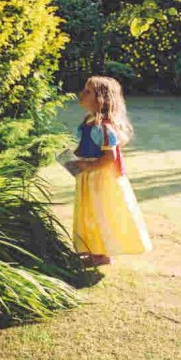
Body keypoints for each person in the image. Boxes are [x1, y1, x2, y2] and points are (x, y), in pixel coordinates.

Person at [72, 75, 152, 267]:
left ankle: (101, 253)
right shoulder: (88, 122)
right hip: (88, 176)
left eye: (88, 92)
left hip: (100, 178)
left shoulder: (104, 128)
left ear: (101, 99)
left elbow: (110, 157)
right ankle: (92, 249)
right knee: (88, 212)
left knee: (100, 212)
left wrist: (89, 166)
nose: (82, 94)